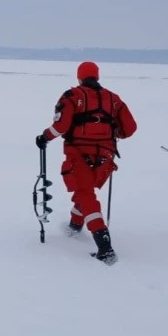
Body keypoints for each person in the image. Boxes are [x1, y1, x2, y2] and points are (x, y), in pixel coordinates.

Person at [36, 61, 137, 264]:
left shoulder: (72, 96)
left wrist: (44, 137)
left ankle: (104, 246)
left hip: (79, 154)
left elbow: (61, 126)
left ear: (80, 77)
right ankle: (74, 226)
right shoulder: (114, 99)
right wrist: (112, 132)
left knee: (86, 195)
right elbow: (130, 128)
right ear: (97, 77)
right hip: (105, 156)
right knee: (86, 191)